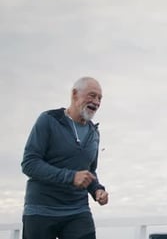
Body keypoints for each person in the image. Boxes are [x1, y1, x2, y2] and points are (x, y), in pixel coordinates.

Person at [21, 76, 109, 239]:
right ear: (75, 94)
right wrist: (71, 177)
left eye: (99, 98)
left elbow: (90, 172)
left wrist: (97, 189)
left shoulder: (94, 133)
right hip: (41, 210)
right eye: (92, 95)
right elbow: (29, 163)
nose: (96, 102)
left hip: (78, 211)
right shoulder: (48, 120)